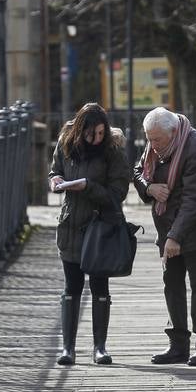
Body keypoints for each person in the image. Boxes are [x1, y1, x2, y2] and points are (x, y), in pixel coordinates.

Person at [133, 107, 196, 366]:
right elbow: (137, 171)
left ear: (173, 133)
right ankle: (178, 344)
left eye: (157, 139)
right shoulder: (155, 147)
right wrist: (149, 188)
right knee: (172, 283)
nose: (152, 145)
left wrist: (175, 237)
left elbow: (194, 201)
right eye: (149, 138)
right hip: (167, 224)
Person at [49, 103, 130, 366]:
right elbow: (55, 170)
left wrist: (88, 187)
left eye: (100, 133)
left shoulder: (112, 151)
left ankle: (100, 347)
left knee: (99, 286)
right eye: (91, 134)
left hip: (100, 227)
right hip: (71, 225)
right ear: (80, 130)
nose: (96, 139)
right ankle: (68, 348)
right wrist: (55, 181)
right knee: (71, 286)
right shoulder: (65, 143)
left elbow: (117, 194)